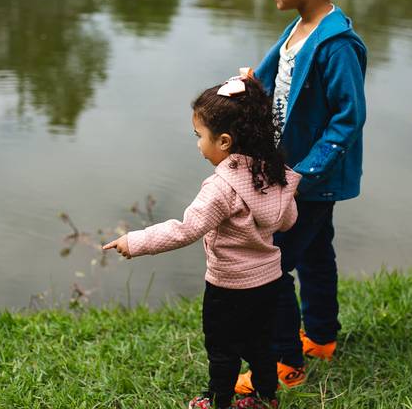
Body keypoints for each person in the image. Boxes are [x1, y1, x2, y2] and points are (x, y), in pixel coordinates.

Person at [103, 69, 301, 409]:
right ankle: (265, 398)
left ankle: (219, 402)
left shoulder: (221, 187)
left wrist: (135, 242)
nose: (197, 144)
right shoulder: (272, 173)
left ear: (224, 141)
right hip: (269, 281)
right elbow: (288, 220)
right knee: (260, 343)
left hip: (229, 287)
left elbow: (186, 229)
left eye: (199, 136)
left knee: (223, 348)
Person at [235, 0, 367, 394]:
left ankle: (285, 362)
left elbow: (349, 119)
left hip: (310, 178)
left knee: (270, 265)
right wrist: (250, 86)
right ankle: (322, 337)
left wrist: (302, 173)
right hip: (290, 172)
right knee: (313, 254)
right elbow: (275, 78)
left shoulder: (337, 45)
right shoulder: (299, 27)